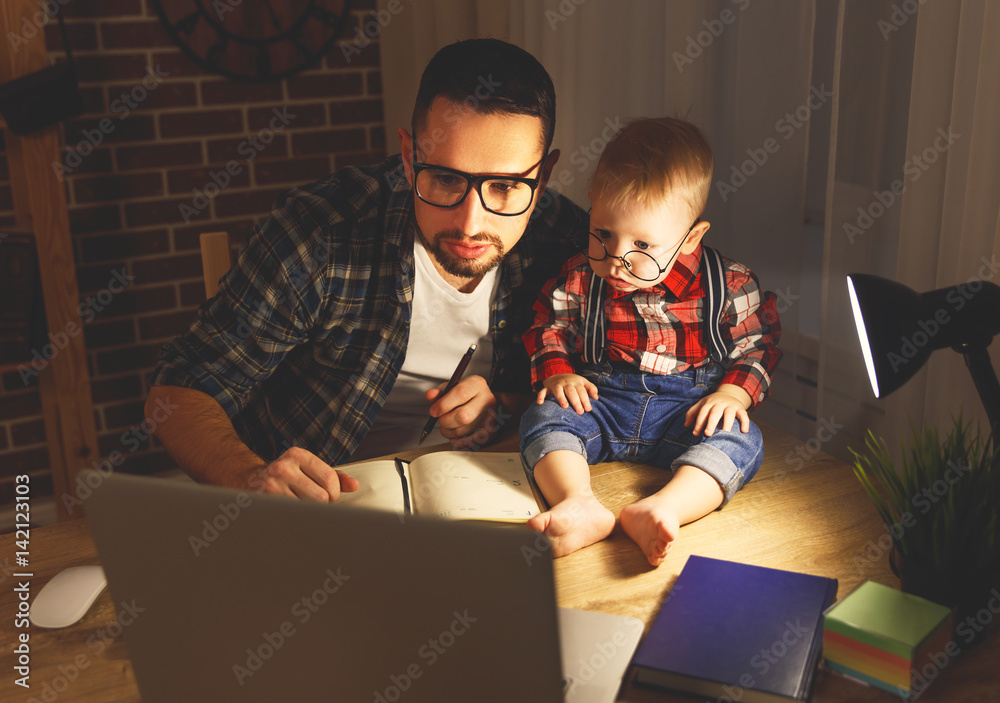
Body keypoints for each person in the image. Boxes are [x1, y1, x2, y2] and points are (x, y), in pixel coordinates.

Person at [145, 38, 586, 501]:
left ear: (545, 176)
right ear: (410, 156)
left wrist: (510, 407)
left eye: (504, 187)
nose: (470, 223)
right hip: (316, 508)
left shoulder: (571, 242)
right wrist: (249, 478)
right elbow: (178, 391)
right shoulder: (319, 232)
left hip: (482, 492)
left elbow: (617, 387)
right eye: (446, 178)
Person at [519, 117, 782, 566]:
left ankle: (665, 508)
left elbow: (758, 344)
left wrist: (732, 393)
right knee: (543, 417)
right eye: (603, 233)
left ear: (691, 237)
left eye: (641, 243)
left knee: (744, 440)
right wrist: (559, 370)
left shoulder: (731, 285)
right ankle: (577, 502)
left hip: (687, 414)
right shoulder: (583, 275)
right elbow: (549, 324)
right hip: (602, 402)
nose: (617, 260)